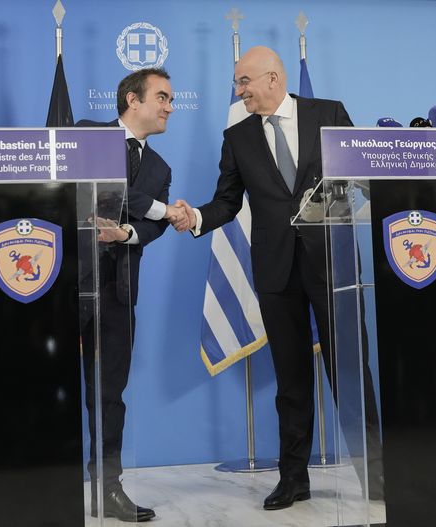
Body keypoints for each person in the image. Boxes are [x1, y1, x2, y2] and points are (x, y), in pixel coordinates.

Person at [171, 46, 383, 510]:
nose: (239, 90)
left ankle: (379, 475)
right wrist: (196, 219)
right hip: (275, 271)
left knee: (350, 370)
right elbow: (226, 201)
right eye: (236, 84)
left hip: (333, 265)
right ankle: (294, 479)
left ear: (272, 78)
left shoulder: (328, 113)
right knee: (291, 379)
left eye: (244, 82)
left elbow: (363, 175)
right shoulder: (238, 135)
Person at [77, 67, 185, 522]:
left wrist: (127, 234)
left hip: (119, 290)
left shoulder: (161, 168)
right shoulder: (84, 136)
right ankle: (34, 480)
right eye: (161, 97)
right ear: (131, 100)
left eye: (171, 99)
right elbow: (112, 191)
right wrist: (164, 208)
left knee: (109, 395)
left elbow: (151, 227)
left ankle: (108, 488)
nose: (169, 107)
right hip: (59, 283)